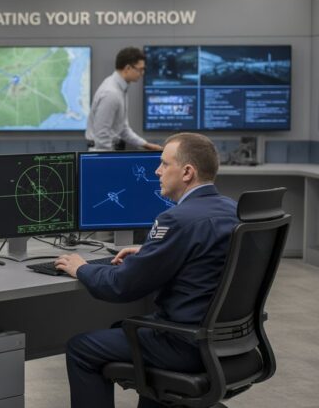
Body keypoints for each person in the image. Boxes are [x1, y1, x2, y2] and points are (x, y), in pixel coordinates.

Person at [54, 132, 239, 408]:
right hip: (227, 342)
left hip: (184, 344)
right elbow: (205, 256)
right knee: (127, 330)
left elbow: (120, 286)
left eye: (164, 164)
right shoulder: (233, 210)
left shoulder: (176, 220)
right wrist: (150, 250)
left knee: (81, 348)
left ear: (187, 172)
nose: (157, 171)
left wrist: (81, 268)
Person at [85, 47, 162, 152]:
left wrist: (146, 145)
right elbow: (102, 135)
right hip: (101, 153)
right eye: (140, 69)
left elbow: (122, 129)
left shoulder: (120, 89)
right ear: (127, 68)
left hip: (107, 151)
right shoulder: (111, 93)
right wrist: (109, 158)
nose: (142, 73)